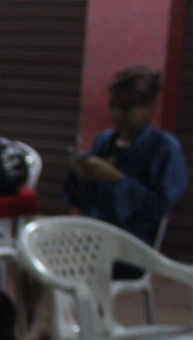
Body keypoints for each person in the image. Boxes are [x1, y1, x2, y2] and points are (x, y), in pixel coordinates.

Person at [62, 65, 186, 248]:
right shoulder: (104, 142)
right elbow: (80, 200)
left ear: (150, 107)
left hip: (133, 244)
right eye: (113, 107)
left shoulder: (164, 148)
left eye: (127, 109)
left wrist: (117, 179)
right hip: (92, 236)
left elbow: (159, 208)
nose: (117, 115)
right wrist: (80, 177)